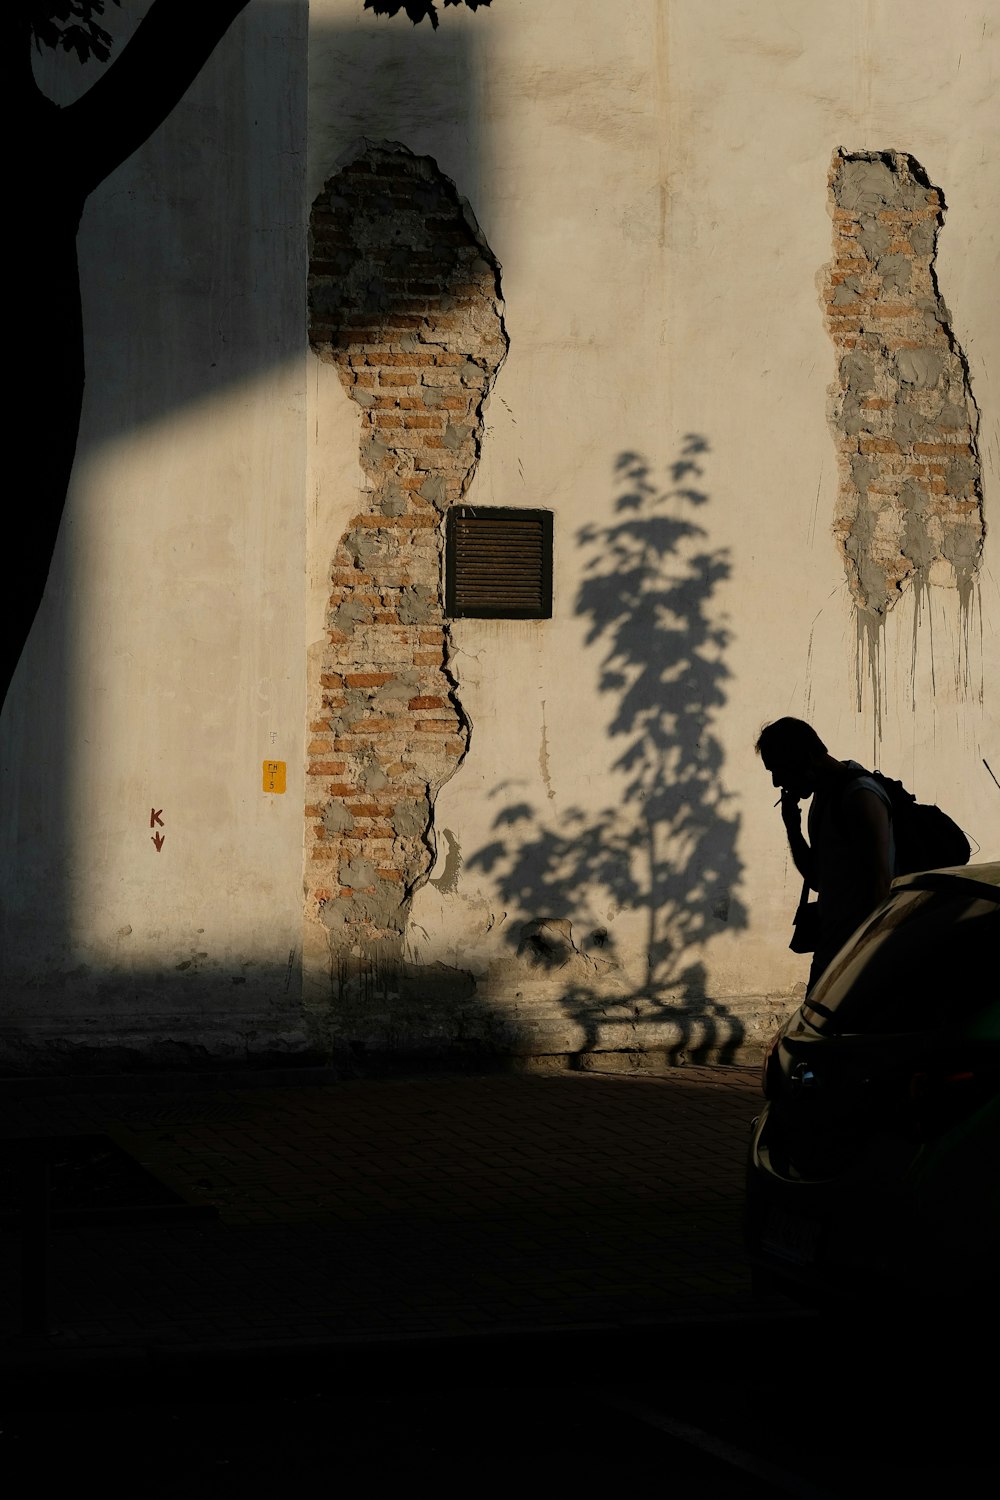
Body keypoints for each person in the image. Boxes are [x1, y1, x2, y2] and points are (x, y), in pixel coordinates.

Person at [756, 717, 894, 990]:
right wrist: (793, 830)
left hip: (857, 962)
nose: (776, 782)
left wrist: (871, 963)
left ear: (804, 758)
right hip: (831, 954)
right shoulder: (824, 796)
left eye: (778, 770)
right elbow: (819, 880)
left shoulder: (860, 796)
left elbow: (882, 887)